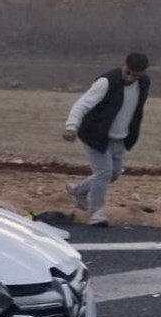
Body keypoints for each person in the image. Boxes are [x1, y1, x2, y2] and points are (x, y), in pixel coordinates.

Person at [64, 52, 151, 227]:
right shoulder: (106, 82)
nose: (130, 77)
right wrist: (71, 126)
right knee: (103, 172)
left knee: (114, 173)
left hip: (119, 137)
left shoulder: (143, 83)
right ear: (124, 66)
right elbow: (83, 103)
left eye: (135, 75)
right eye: (128, 72)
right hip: (95, 134)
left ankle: (78, 191)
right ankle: (96, 213)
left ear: (142, 73)